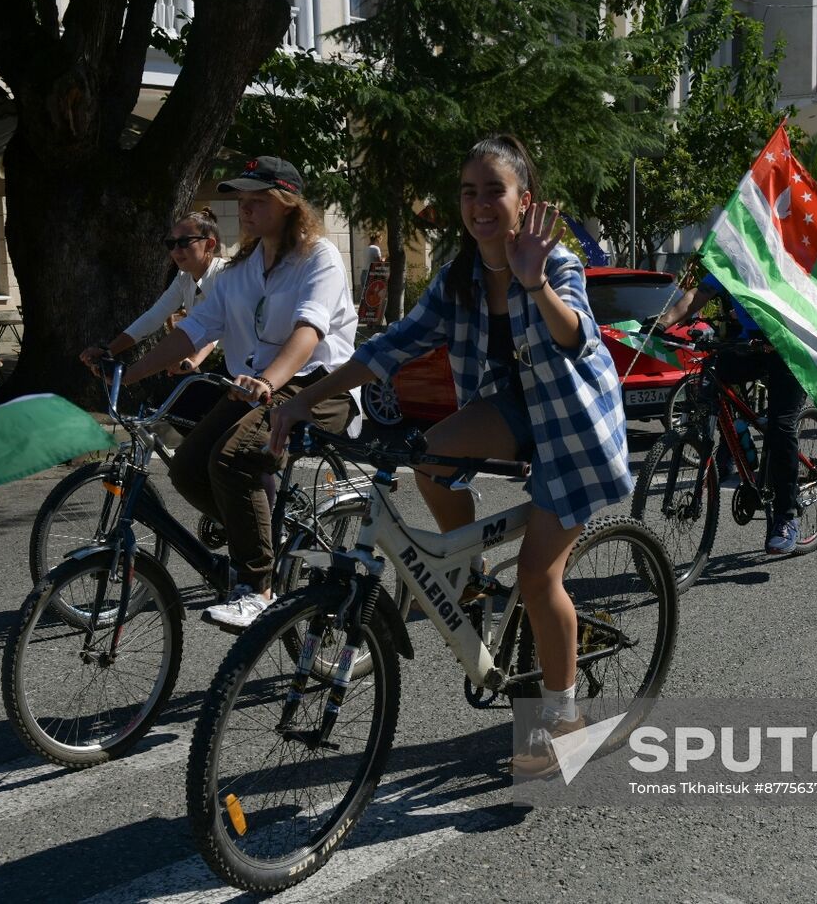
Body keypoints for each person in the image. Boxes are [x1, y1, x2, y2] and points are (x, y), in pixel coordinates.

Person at [269, 135, 632, 776]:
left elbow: (576, 337)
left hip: (574, 430)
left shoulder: (555, 264)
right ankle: (463, 572)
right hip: (516, 413)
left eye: (494, 189)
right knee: (427, 454)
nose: (479, 204)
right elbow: (388, 347)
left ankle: (565, 716)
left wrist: (535, 282)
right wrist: (304, 398)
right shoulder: (459, 280)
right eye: (469, 191)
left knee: (538, 575)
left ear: (525, 200)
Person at [120, 156, 359, 628]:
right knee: (189, 469)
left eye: (258, 199)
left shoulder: (319, 258)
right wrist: (129, 372)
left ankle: (257, 585)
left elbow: (309, 329)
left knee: (233, 458)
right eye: (242, 199)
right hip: (258, 386)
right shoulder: (241, 269)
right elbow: (194, 329)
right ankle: (264, 534)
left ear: (289, 203)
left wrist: (269, 381)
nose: (245, 208)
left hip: (318, 384)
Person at [656, 265, 807, 555]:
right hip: (753, 345)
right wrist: (662, 323)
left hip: (789, 349)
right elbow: (697, 295)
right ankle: (732, 446)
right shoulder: (734, 259)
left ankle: (787, 516)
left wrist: (785, 335)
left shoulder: (781, 256)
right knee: (713, 378)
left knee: (780, 426)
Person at [79, 210, 251, 424]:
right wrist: (109, 350)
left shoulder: (225, 274)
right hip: (233, 361)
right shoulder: (183, 278)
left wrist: (193, 359)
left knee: (200, 417)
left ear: (209, 244)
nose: (176, 250)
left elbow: (214, 326)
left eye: (184, 242)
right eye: (171, 243)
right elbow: (153, 317)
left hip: (253, 365)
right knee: (177, 411)